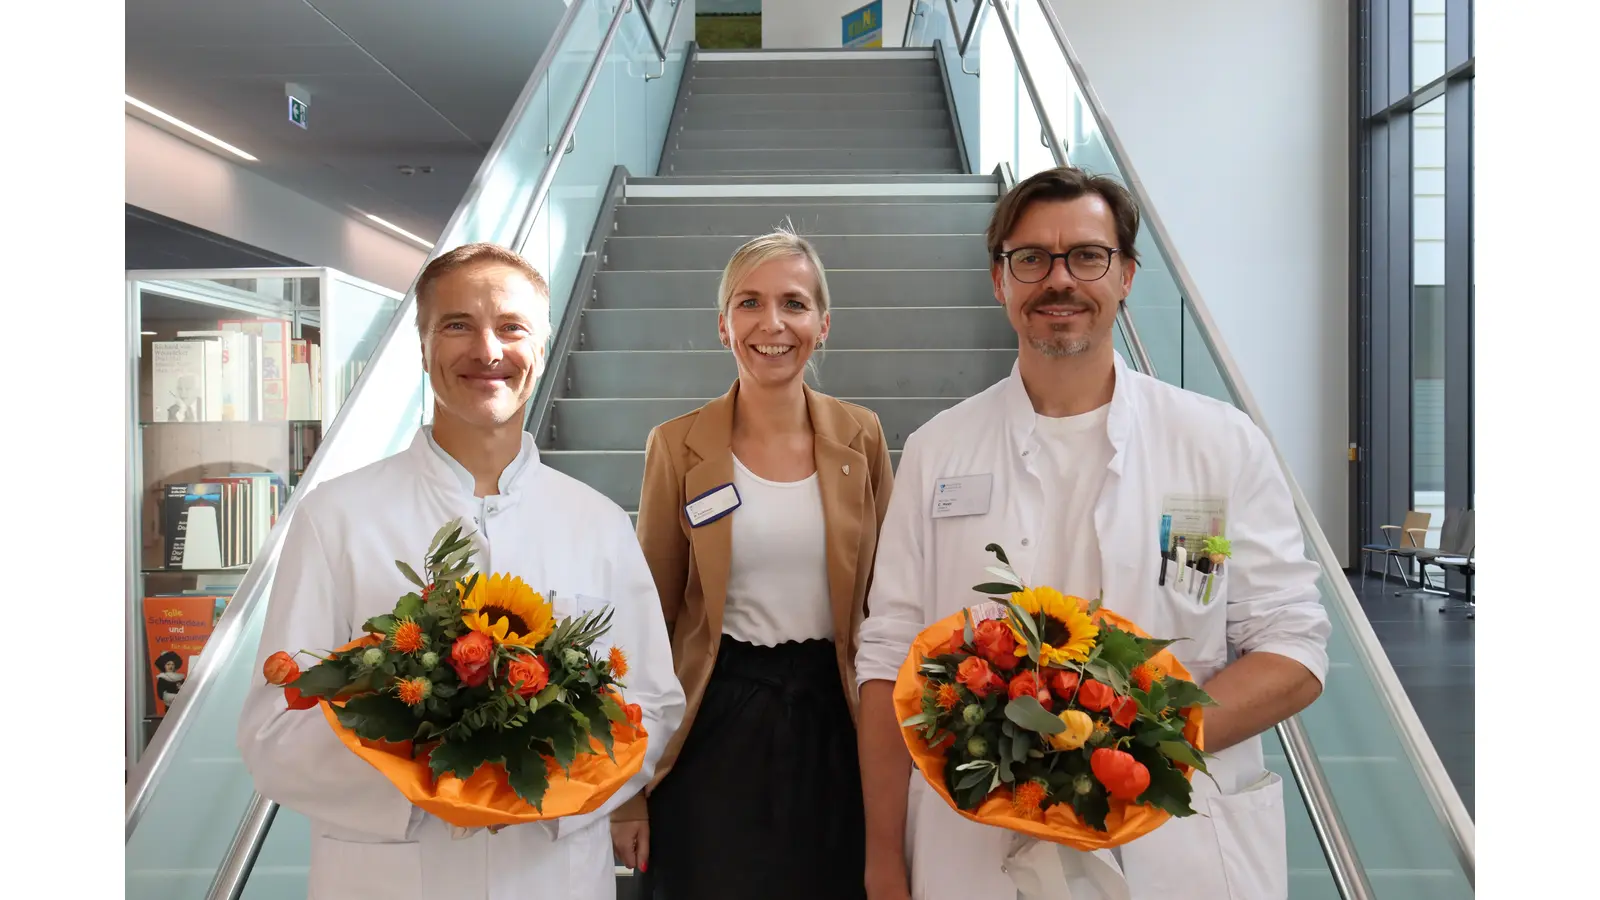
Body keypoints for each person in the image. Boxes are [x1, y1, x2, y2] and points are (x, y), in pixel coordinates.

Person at [854, 167, 1332, 900]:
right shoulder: (937, 450)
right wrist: (883, 855)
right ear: (1000, 281)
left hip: (1178, 846)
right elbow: (889, 659)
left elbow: (1294, 645)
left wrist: (1132, 747)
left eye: (1087, 255)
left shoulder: (1217, 446)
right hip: (976, 841)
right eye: (1032, 259)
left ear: (1127, 275)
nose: (1059, 280)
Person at [236, 242, 686, 900]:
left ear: (540, 344)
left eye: (511, 327)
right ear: (421, 346)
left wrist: (542, 778)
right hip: (390, 873)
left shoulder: (598, 523)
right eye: (457, 325)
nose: (487, 350)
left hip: (549, 872)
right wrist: (434, 774)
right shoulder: (335, 519)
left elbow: (653, 704)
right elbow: (273, 731)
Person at [610, 231, 895, 900]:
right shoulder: (677, 447)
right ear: (722, 324)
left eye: (794, 304)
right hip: (714, 716)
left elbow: (888, 603)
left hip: (835, 719)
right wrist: (627, 793)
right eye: (750, 303)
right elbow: (649, 620)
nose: (773, 324)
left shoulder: (863, 437)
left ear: (822, 324)